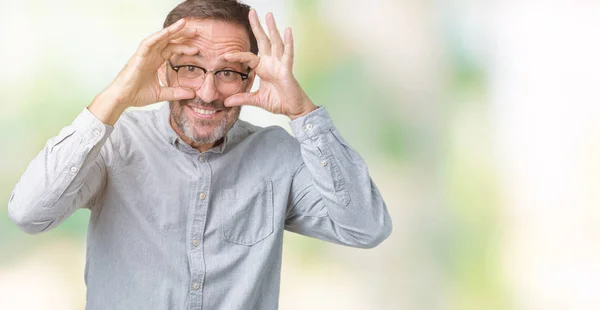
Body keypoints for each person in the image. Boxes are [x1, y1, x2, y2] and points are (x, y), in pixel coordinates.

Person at [8, 0, 392, 309]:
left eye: (227, 72)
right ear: (164, 71)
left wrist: (302, 112)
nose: (207, 93)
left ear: (251, 78)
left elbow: (366, 227)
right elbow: (29, 213)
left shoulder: (279, 156)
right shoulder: (113, 144)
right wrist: (115, 97)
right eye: (191, 67)